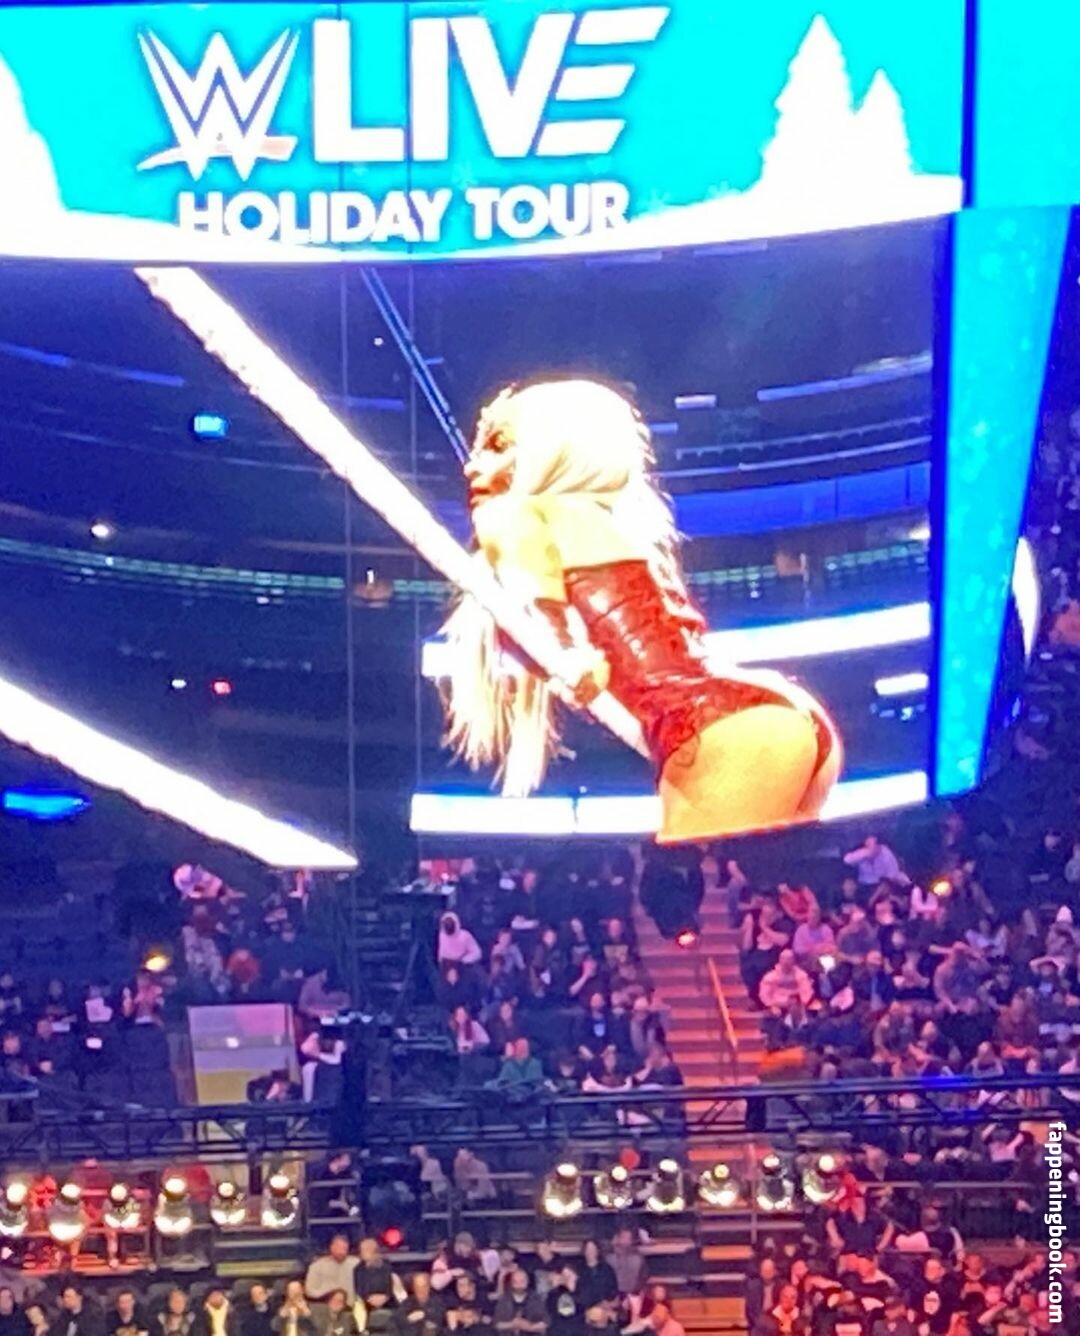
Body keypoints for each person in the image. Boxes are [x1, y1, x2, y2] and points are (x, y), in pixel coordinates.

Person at [439, 378, 841, 841]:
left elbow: (541, 608)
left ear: (552, 450)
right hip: (762, 713)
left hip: (717, 725)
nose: (473, 466)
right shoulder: (609, 524)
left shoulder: (514, 514)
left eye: (498, 446)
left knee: (697, 885)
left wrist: (568, 654)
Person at [355, 1237, 403, 1332]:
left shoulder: (386, 1266)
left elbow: (391, 1285)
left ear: (373, 1251)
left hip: (387, 1300)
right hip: (367, 1303)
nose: (361, 1253)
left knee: (398, 1314)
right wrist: (369, 1299)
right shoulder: (358, 1269)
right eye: (361, 1250)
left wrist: (385, 1297)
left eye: (364, 1250)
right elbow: (359, 1289)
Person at [306, 1234, 359, 1304]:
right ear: (331, 1248)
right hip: (325, 1306)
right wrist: (329, 1295)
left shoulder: (356, 1264)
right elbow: (309, 1291)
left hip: (351, 1305)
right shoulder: (317, 1266)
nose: (342, 1252)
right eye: (339, 1248)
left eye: (344, 1249)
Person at [493, 1269, 547, 1333]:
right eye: (515, 1282)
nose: (519, 1285)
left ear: (527, 1282)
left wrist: (529, 1327)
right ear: (511, 1283)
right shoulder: (505, 1299)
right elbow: (497, 1324)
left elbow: (544, 1323)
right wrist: (512, 1324)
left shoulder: (535, 1298)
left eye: (522, 1282)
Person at [547, 1265, 586, 1336]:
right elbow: (551, 1309)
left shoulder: (584, 1290)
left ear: (576, 1276)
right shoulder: (555, 1293)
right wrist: (555, 1286)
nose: (566, 1278)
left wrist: (572, 1291)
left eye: (569, 1275)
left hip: (577, 1330)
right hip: (558, 1330)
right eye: (564, 1276)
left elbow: (584, 1305)